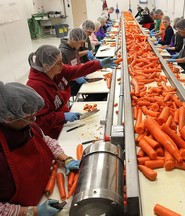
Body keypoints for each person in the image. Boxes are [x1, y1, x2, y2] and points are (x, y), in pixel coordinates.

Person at [0, 81, 80, 215]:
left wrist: (65, 159)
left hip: (46, 192)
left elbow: (45, 140)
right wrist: (32, 211)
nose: (34, 119)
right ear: (9, 118)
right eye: (29, 117)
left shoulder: (26, 126)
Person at [26, 45, 117, 139]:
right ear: (46, 66)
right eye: (58, 63)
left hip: (63, 122)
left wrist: (98, 64)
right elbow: (39, 120)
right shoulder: (36, 87)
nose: (62, 65)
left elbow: (75, 70)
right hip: (52, 133)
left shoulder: (56, 71)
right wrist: (62, 116)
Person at [59, 28, 88, 98]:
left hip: (77, 76)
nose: (81, 45)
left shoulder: (74, 48)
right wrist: (75, 77)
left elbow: (77, 63)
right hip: (70, 84)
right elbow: (62, 74)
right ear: (74, 39)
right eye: (80, 42)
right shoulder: (63, 52)